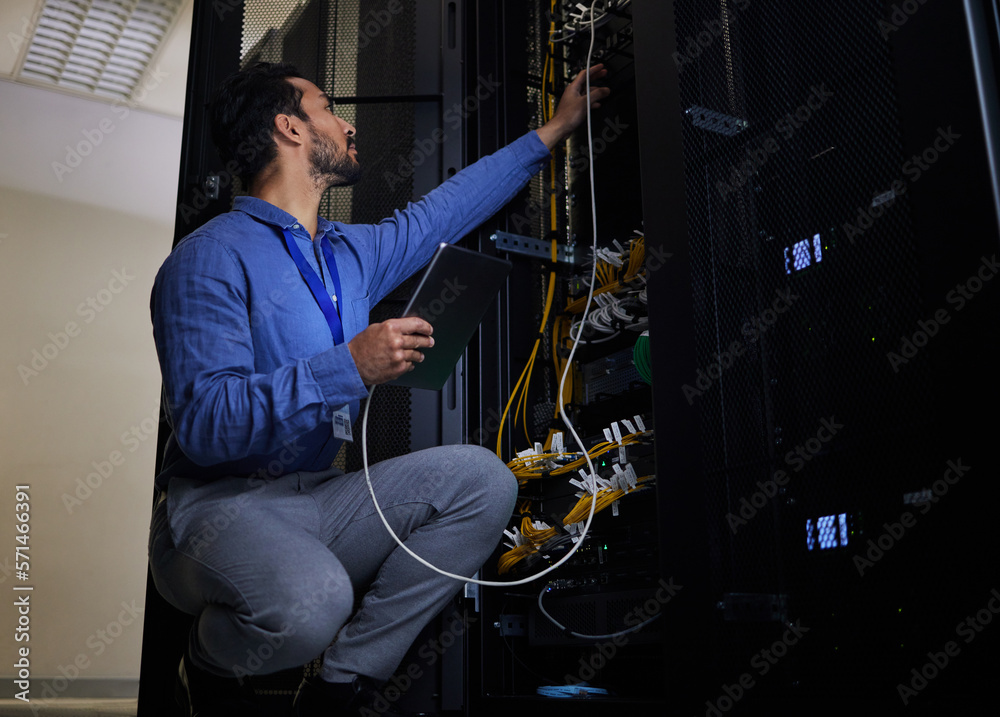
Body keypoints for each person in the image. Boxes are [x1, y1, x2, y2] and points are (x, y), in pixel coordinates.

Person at [148, 60, 609, 717]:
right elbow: (205, 424)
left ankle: (342, 684)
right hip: (215, 508)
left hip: (316, 495)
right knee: (314, 600)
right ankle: (205, 663)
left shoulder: (349, 254)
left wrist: (554, 130)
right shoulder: (209, 257)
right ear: (289, 128)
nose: (349, 124)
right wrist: (350, 366)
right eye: (327, 107)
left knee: (482, 481)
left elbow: (447, 208)